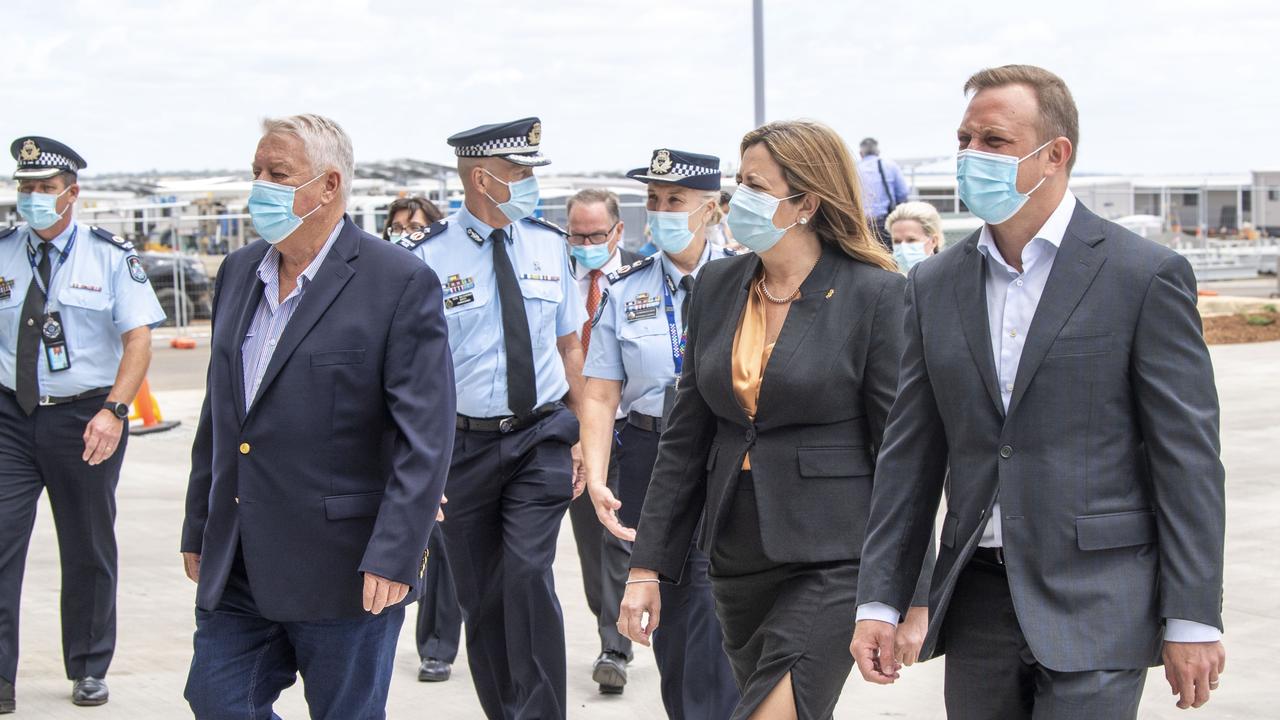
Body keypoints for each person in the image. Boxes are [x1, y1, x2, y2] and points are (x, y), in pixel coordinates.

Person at [852, 65, 1227, 719]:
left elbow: (1187, 461)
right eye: (964, 139)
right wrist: (882, 600)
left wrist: (1193, 616)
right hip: (978, 601)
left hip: (1100, 598)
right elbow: (909, 457)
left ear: (1055, 155)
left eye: (993, 141)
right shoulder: (935, 285)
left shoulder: (1142, 276)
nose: (970, 156)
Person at [619, 123, 931, 720]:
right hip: (737, 560)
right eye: (739, 183)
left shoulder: (877, 295)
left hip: (835, 559)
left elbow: (903, 455)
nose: (738, 199)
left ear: (806, 202)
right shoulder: (717, 286)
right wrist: (646, 568)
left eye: (755, 185)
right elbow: (685, 441)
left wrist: (913, 594)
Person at [180, 114, 455, 719]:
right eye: (256, 171)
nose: (259, 187)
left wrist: (396, 551)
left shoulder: (398, 281)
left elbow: (425, 438)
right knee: (217, 702)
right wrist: (198, 521)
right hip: (240, 558)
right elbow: (221, 414)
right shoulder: (238, 272)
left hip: (345, 568)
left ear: (329, 185)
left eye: (277, 174)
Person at [398, 116, 586, 720]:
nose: (531, 182)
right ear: (483, 178)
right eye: (521, 171)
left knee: (530, 575)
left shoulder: (549, 244)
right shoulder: (425, 261)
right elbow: (410, 376)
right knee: (481, 597)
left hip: (540, 436)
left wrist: (583, 437)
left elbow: (570, 347)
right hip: (463, 448)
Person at [0, 137, 165, 713]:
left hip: (85, 416)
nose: (32, 199)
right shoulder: (1, 252)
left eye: (45, 189)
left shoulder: (110, 256)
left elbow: (138, 339)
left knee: (88, 545)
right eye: (25, 188)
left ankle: (89, 666)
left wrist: (115, 411)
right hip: (9, 418)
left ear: (73, 193)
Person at [582, 149, 740, 719]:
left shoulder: (749, 281)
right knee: (670, 603)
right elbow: (601, 393)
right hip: (653, 451)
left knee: (719, 597)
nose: (661, 211)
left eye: (675, 200)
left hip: (731, 451)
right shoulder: (626, 290)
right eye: (653, 200)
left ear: (714, 210)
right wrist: (598, 474)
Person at [563, 188, 641, 694]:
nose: (586, 243)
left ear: (618, 231)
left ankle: (614, 646)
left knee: (618, 540)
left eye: (596, 234)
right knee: (592, 549)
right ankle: (609, 619)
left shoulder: (641, 276)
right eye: (577, 234)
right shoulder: (553, 279)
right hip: (570, 432)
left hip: (630, 427)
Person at [380, 195, 461, 683]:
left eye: (415, 225)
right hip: (387, 428)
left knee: (441, 539)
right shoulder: (373, 282)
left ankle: (437, 644)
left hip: (443, 422)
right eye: (397, 225)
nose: (405, 233)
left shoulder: (443, 279)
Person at [857, 138, 910, 251]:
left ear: (861, 153)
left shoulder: (853, 168)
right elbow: (903, 193)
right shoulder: (891, 166)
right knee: (888, 258)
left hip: (859, 224)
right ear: (878, 152)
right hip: (884, 223)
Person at [884, 200, 945, 273]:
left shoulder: (949, 277)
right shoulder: (887, 280)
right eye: (897, 241)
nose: (903, 248)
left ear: (933, 241)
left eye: (911, 240)